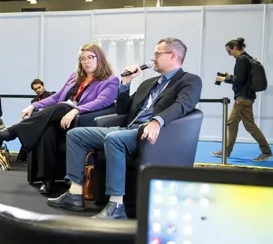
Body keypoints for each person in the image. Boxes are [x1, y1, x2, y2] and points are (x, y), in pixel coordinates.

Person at [48, 38, 202, 220]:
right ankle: (74, 194)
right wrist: (125, 83)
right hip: (127, 129)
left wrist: (156, 121)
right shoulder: (149, 83)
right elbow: (123, 109)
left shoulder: (189, 81)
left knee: (114, 139)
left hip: (153, 133)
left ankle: (116, 205)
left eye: (157, 54)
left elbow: (182, 105)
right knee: (76, 135)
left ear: (173, 55)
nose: (152, 58)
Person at [0, 44, 119, 194]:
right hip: (61, 120)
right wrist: (33, 106)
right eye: (82, 59)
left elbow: (103, 101)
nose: (86, 62)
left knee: (63, 107)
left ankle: (15, 130)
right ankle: (48, 180)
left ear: (99, 58)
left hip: (81, 121)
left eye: (90, 57)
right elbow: (56, 97)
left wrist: (76, 110)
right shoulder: (75, 77)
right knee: (48, 130)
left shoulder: (110, 80)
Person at [213, 38, 273, 162]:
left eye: (229, 51)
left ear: (235, 48)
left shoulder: (241, 60)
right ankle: (226, 151)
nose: (229, 54)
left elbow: (239, 80)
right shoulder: (247, 58)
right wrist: (230, 77)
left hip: (243, 98)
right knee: (231, 123)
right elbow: (243, 78)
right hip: (245, 97)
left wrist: (224, 79)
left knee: (250, 126)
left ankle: (266, 151)